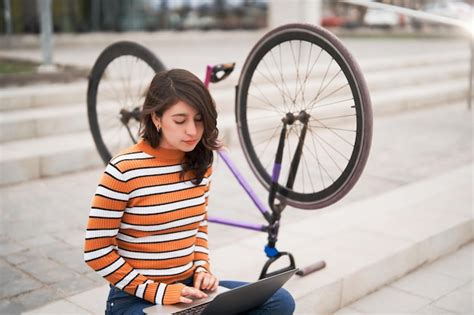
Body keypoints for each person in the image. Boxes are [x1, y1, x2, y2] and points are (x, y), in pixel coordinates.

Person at [84, 69, 295, 315]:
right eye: (180, 120)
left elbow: (198, 226)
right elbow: (96, 250)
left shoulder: (200, 162)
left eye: (199, 119)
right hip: (135, 298)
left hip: (189, 291)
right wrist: (161, 293)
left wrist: (202, 269)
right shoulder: (124, 169)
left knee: (279, 301)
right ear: (156, 118)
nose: (193, 131)